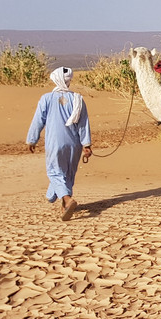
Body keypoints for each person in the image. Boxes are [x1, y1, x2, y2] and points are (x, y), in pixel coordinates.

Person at [27, 67, 93, 220]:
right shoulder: (78, 99)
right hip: (74, 143)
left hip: (55, 143)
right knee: (68, 172)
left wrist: (32, 139)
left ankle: (66, 199)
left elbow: (38, 121)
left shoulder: (46, 98)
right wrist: (87, 144)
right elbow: (84, 124)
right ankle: (63, 203)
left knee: (55, 172)